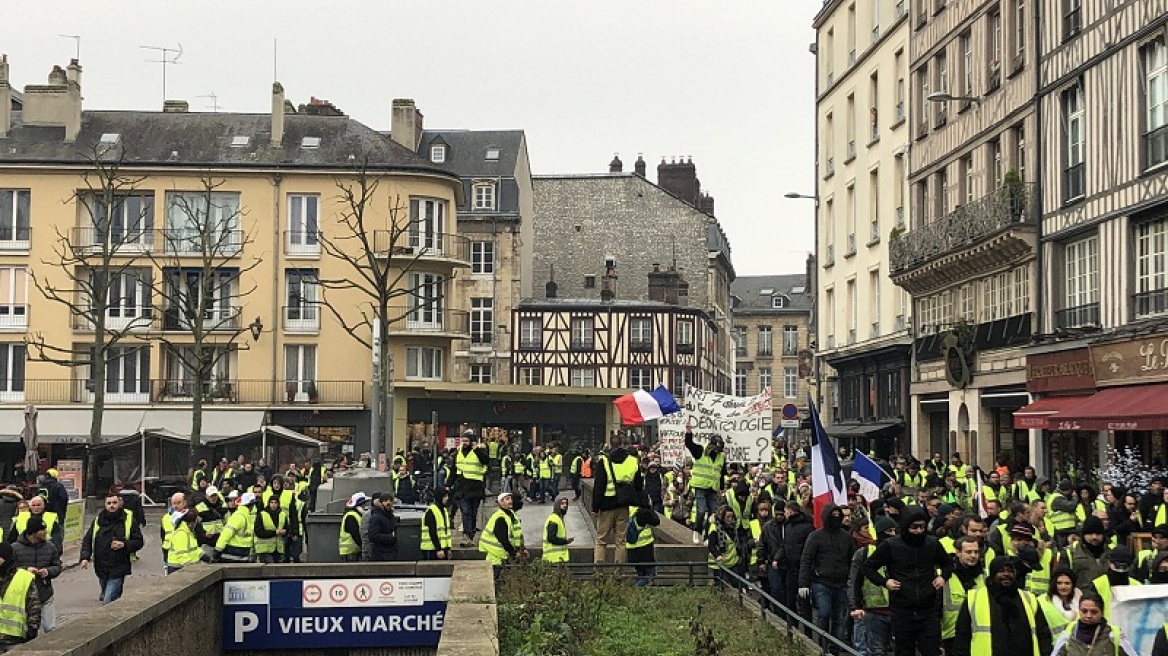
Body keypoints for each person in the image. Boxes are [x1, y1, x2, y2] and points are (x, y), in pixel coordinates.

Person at [863, 506, 953, 656]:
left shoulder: (932, 544)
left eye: (922, 527)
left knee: (931, 650)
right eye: (914, 527)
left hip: (928, 609)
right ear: (905, 526)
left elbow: (948, 563)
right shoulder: (891, 545)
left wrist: (943, 577)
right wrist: (885, 582)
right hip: (902, 610)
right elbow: (868, 567)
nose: (919, 531)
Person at [951, 556, 1053, 656]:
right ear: (992, 574)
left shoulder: (1029, 599)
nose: (1006, 574)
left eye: (1010, 571)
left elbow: (1043, 635)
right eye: (1001, 571)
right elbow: (962, 638)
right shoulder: (973, 598)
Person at [799, 503, 856, 650]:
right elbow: (806, 559)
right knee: (824, 613)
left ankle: (834, 648)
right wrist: (803, 583)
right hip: (821, 582)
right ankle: (822, 645)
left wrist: (852, 581)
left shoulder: (846, 538)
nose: (836, 518)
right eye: (833, 515)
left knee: (839, 618)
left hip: (842, 583)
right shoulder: (815, 536)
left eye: (838, 516)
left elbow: (852, 560)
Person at [80, 492, 144, 605]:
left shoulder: (128, 520)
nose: (112, 506)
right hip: (101, 566)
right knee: (109, 597)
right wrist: (85, 557)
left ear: (119, 503)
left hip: (119, 566)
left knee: (107, 601)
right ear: (104, 505)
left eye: (114, 503)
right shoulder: (98, 521)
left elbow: (139, 542)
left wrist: (124, 544)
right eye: (108, 503)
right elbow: (88, 540)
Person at [850, 515, 898, 656]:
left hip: (898, 610)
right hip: (874, 611)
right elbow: (855, 581)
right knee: (876, 650)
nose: (893, 534)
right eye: (889, 531)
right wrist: (856, 605)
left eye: (895, 531)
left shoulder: (901, 551)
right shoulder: (864, 553)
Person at [591, 433, 642, 564]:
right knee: (621, 541)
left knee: (601, 540)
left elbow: (599, 487)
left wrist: (595, 507)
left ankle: (599, 572)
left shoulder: (605, 461)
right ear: (622, 444)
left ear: (609, 445)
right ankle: (618, 573)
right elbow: (639, 485)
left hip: (606, 506)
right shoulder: (632, 461)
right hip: (624, 505)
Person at [10, 517, 60, 634]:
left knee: (50, 628)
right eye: (42, 530)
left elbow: (57, 566)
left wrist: (47, 571)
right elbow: (10, 570)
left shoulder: (50, 546)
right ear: (33, 532)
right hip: (25, 595)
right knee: (29, 630)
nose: (45, 532)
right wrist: (25, 570)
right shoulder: (15, 548)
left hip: (44, 593)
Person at [1050, 592, 1139, 656]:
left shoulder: (1114, 636)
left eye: (1094, 612)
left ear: (1102, 612)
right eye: (1084, 611)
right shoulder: (1068, 633)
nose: (1088, 615)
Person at [941, 536, 986, 654]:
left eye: (976, 552)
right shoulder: (945, 576)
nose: (973, 556)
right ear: (958, 552)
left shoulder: (985, 576)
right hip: (951, 635)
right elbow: (935, 611)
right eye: (968, 552)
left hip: (978, 635)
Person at [684, 424, 726, 544]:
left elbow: (721, 473)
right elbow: (689, 444)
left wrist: (721, 489)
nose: (717, 451)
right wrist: (688, 432)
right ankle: (696, 531)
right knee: (701, 511)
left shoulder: (721, 457)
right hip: (700, 486)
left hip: (713, 488)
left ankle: (707, 536)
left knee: (713, 513)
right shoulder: (700, 451)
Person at [452, 431, 489, 548]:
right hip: (461, 487)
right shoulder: (458, 452)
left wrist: (477, 449)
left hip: (475, 488)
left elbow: (485, 461)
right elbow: (454, 468)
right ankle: (466, 536)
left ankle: (470, 535)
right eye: (463, 441)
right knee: (466, 512)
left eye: (467, 441)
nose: (464, 443)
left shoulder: (479, 451)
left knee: (473, 513)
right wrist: (449, 484)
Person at [0, 542, 39, 650]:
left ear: (6, 559)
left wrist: (32, 630)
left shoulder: (23, 578)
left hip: (15, 639)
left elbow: (33, 606)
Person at [1085, 546, 1139, 622]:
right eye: (1117, 566)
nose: (1120, 570)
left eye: (1125, 567)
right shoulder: (1097, 584)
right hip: (1104, 629)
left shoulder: (1137, 586)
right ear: (1109, 563)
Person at [479, 491, 524, 579]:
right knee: (496, 579)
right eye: (507, 499)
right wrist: (513, 552)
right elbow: (503, 538)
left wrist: (521, 548)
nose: (510, 501)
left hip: (498, 553)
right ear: (501, 502)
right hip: (497, 554)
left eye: (510, 498)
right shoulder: (500, 517)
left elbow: (515, 535)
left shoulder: (510, 515)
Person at [1060, 514, 1109, 586]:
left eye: (1098, 534)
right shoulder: (1069, 552)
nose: (1094, 537)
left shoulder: (1111, 552)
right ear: (1083, 535)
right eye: (1090, 533)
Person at [215, 492, 257, 564]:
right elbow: (226, 534)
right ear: (252, 505)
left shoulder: (243, 515)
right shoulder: (240, 516)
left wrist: (217, 551)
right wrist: (218, 551)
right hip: (233, 554)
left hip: (238, 555)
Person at [1039, 568, 1081, 637]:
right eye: (1059, 583)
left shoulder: (1081, 600)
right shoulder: (1043, 601)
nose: (1063, 587)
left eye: (1067, 583)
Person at [627, 502, 660, 586]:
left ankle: (638, 593)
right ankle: (635, 589)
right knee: (650, 574)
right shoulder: (642, 511)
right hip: (644, 547)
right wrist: (649, 507)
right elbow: (656, 521)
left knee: (641, 574)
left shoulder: (627, 509)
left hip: (631, 547)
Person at [164, 508, 203, 574]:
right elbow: (181, 554)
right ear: (191, 522)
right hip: (178, 568)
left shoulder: (187, 532)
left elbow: (193, 549)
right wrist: (191, 569)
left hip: (181, 567)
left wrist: (203, 555)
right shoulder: (181, 533)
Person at [254, 496, 288, 564]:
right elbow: (258, 532)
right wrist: (274, 532)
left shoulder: (283, 514)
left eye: (275, 503)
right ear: (268, 504)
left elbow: (287, 528)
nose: (273, 505)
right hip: (265, 550)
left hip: (278, 550)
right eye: (271, 502)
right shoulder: (262, 514)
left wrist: (285, 532)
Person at [366, 493, 399, 562]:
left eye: (390, 500)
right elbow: (372, 536)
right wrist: (390, 537)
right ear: (381, 503)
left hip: (390, 553)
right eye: (385, 501)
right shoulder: (376, 517)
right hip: (380, 555)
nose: (388, 503)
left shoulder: (390, 516)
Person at [542, 496, 575, 563]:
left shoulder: (558, 519)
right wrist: (565, 541)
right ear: (557, 506)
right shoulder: (554, 519)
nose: (565, 505)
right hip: (553, 559)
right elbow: (551, 538)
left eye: (566, 503)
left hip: (557, 558)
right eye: (562, 504)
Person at [421, 490, 452, 561]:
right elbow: (432, 532)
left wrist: (448, 549)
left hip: (442, 549)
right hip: (431, 549)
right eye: (445, 496)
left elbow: (445, 532)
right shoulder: (431, 511)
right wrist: (438, 549)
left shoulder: (444, 511)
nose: (447, 498)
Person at [338, 492, 368, 562]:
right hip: (350, 553)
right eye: (363, 504)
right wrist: (364, 548)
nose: (364, 507)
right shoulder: (351, 516)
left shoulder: (355, 514)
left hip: (352, 552)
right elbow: (355, 534)